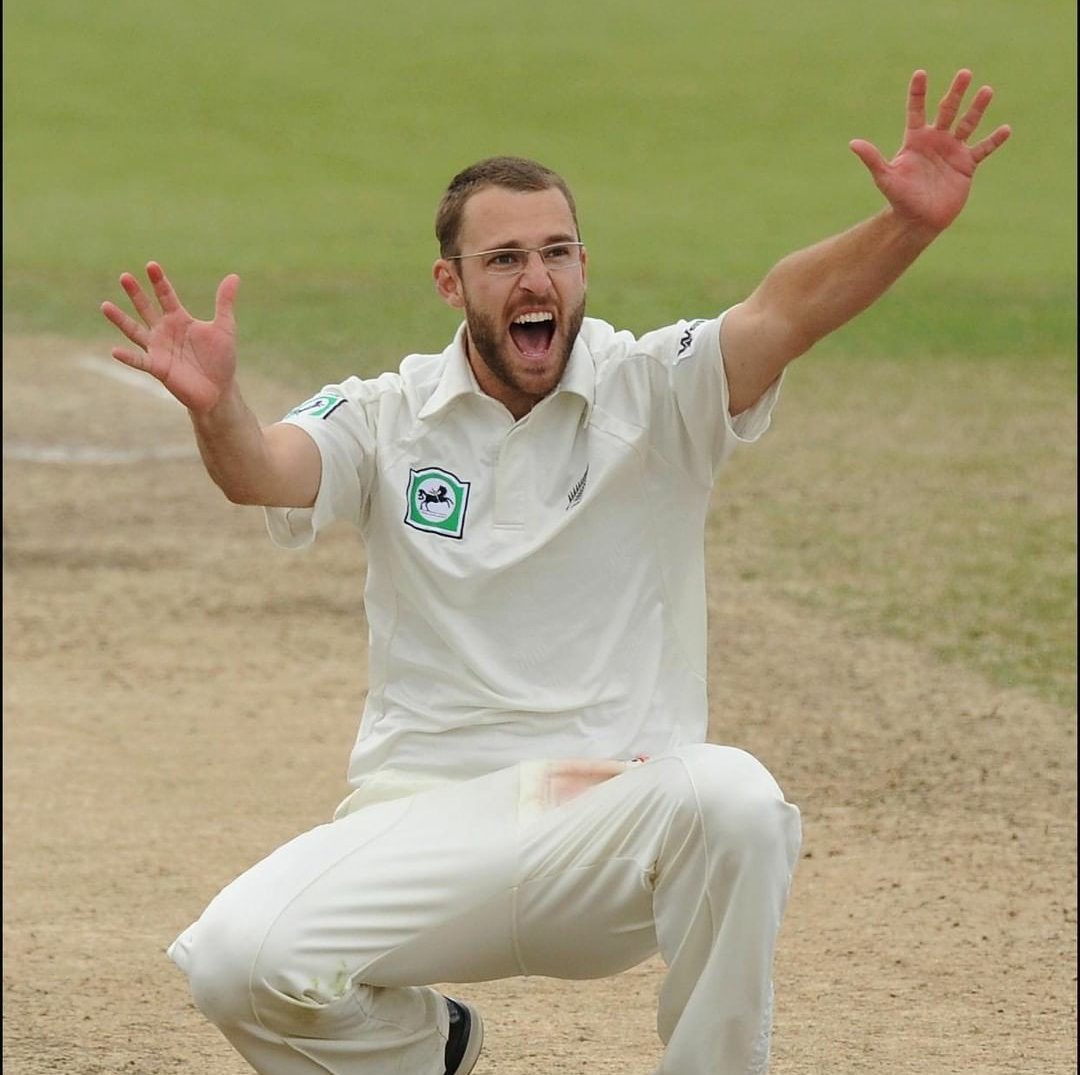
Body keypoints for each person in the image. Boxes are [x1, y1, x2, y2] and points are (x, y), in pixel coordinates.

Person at [101, 69, 1009, 1075]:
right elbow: (262, 470)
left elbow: (783, 311)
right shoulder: (386, 414)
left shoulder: (654, 388)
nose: (537, 280)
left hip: (607, 825)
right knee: (234, 964)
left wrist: (905, 228)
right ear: (450, 283)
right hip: (425, 824)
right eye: (504, 259)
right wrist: (217, 408)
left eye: (557, 253)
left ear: (583, 265)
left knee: (737, 799)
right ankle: (429, 1049)